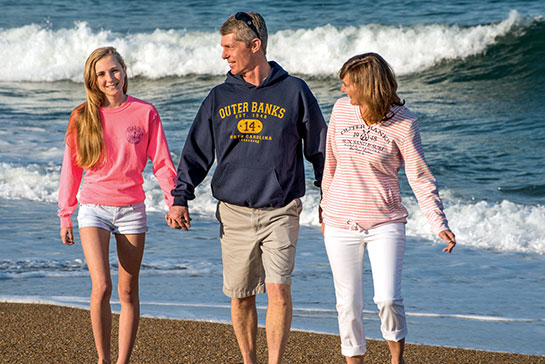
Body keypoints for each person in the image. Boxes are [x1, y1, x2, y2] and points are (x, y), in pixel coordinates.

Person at [165, 11, 327, 364]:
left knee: (278, 291)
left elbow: (320, 149)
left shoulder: (295, 91)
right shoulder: (219, 96)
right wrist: (181, 197)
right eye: (222, 47)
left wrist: (328, 197)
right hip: (234, 214)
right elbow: (196, 152)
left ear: (255, 46)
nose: (223, 54)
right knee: (240, 296)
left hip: (281, 209)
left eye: (229, 46)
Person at [320, 53, 456, 364]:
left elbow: (420, 177)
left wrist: (439, 222)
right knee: (348, 303)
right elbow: (331, 165)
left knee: (387, 299)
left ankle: (397, 359)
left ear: (367, 86)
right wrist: (324, 210)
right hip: (340, 221)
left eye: (348, 85)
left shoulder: (404, 123)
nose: (343, 91)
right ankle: (354, 361)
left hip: (385, 223)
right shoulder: (341, 110)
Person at [58, 46, 177, 364]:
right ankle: (103, 360)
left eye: (114, 70)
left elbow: (162, 163)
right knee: (102, 286)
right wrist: (65, 214)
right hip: (93, 207)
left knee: (127, 291)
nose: (110, 78)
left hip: (131, 210)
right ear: (93, 81)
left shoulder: (145, 112)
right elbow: (71, 168)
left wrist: (173, 200)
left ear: (125, 72)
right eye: (101, 74)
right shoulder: (82, 116)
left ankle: (123, 361)